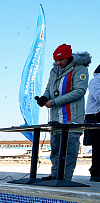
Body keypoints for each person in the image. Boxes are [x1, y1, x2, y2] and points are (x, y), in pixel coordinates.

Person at [35, 44, 91, 181]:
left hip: (72, 118)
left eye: (62, 60)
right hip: (56, 118)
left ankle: (65, 177)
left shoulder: (80, 69)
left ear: (69, 58)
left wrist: (54, 102)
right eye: (56, 60)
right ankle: (55, 174)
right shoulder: (54, 71)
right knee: (55, 149)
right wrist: (44, 98)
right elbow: (49, 89)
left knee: (69, 151)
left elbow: (79, 91)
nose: (58, 63)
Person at [85, 64, 100, 182]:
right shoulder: (96, 80)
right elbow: (99, 96)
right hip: (95, 116)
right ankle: (96, 173)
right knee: (98, 145)